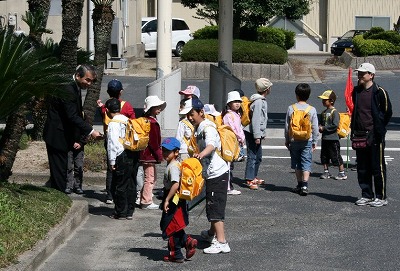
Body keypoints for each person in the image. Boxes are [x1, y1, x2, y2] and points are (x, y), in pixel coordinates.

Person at [180, 97, 231, 254]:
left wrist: (200, 155)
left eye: (191, 113)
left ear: (201, 112)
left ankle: (222, 242)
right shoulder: (200, 126)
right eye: (187, 114)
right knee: (212, 203)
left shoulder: (207, 127)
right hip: (212, 173)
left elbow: (211, 145)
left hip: (217, 172)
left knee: (215, 207)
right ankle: (211, 234)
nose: (189, 117)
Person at [43, 64, 102, 193]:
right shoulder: (68, 89)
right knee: (59, 169)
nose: (89, 84)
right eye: (87, 80)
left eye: (91, 81)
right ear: (77, 76)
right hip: (56, 135)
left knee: (61, 168)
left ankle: (57, 193)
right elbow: (72, 116)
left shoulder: (74, 86)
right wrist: (91, 131)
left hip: (62, 135)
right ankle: (58, 194)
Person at [351, 63, 392, 207]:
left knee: (377, 167)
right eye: (359, 73)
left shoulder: (379, 92)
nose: (360, 75)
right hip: (360, 133)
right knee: (362, 166)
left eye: (363, 73)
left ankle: (381, 197)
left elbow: (387, 112)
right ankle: (366, 194)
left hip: (374, 135)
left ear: (371, 75)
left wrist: (378, 129)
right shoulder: (356, 91)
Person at [97, 79, 137, 204]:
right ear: (121, 92)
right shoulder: (126, 105)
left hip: (109, 139)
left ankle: (110, 194)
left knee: (110, 167)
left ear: (108, 92)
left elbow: (103, 113)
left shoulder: (105, 107)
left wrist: (100, 106)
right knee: (125, 168)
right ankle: (123, 194)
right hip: (124, 141)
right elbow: (134, 121)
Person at [160, 137, 197, 263]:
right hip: (177, 199)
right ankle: (187, 241)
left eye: (168, 151)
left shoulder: (173, 167)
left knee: (170, 227)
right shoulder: (176, 164)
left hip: (173, 199)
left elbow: (175, 184)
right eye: (163, 150)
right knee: (175, 225)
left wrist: (167, 200)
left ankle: (176, 255)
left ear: (176, 152)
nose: (165, 153)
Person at [284, 83, 319, 196]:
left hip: (294, 139)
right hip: (307, 140)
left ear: (296, 95)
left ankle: (299, 184)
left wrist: (287, 139)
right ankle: (305, 185)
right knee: (306, 161)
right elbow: (315, 127)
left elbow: (287, 126)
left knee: (297, 163)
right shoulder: (311, 109)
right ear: (308, 95)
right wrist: (315, 141)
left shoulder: (291, 108)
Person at [105, 98, 136, 220]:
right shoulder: (127, 120)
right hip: (132, 153)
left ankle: (120, 212)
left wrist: (112, 161)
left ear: (107, 110)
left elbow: (112, 144)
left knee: (119, 185)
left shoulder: (113, 123)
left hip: (120, 155)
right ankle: (129, 211)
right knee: (130, 183)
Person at [243, 78, 272, 190]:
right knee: (252, 156)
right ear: (267, 89)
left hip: (255, 132)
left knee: (258, 156)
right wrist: (257, 136)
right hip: (252, 133)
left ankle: (253, 176)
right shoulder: (259, 102)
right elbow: (256, 120)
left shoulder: (259, 100)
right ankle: (249, 179)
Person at [140, 95, 166, 210]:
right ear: (151, 108)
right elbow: (154, 143)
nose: (159, 109)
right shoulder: (153, 123)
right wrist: (159, 155)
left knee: (150, 177)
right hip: (149, 155)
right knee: (150, 178)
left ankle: (144, 197)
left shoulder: (144, 120)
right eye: (157, 107)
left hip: (144, 153)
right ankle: (146, 201)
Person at [317, 90, 347, 180]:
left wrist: (324, 128)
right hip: (325, 138)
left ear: (331, 101)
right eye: (322, 100)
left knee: (336, 155)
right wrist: (319, 127)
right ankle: (326, 171)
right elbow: (320, 123)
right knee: (324, 155)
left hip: (333, 138)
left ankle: (342, 172)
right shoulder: (323, 113)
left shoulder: (334, 112)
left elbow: (335, 125)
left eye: (325, 100)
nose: (323, 101)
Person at [222, 91, 245, 195]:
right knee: (228, 165)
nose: (237, 103)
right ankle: (227, 187)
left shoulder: (236, 114)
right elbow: (232, 129)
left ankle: (228, 186)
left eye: (238, 101)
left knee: (230, 165)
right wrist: (240, 137)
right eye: (234, 101)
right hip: (230, 143)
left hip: (235, 143)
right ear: (229, 103)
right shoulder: (229, 115)